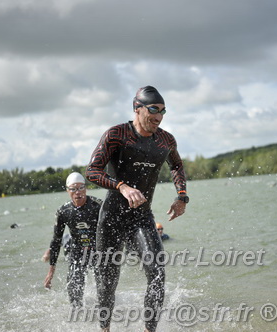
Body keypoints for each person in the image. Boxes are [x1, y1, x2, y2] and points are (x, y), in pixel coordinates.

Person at [86, 85, 189, 332]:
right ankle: (105, 328)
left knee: (157, 273)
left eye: (163, 111)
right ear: (137, 108)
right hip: (111, 218)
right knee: (107, 282)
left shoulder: (165, 140)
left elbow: (176, 165)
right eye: (154, 109)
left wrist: (182, 196)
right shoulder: (116, 135)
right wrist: (121, 186)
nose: (159, 116)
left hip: (141, 217)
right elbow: (92, 171)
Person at [43, 172, 103, 308]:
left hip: (98, 250)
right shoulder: (63, 211)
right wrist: (51, 271)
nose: (78, 192)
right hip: (77, 251)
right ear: (67, 190)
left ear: (86, 188)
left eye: (81, 187)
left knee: (104, 289)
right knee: (74, 291)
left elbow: (113, 229)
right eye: (73, 189)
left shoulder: (98, 206)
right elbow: (56, 240)